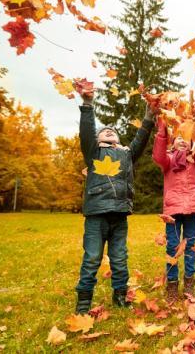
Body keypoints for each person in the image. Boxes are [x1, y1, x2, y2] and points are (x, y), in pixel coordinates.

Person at [74, 91, 155, 315]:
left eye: (113, 131)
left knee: (120, 258)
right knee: (92, 258)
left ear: (119, 139)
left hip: (119, 214)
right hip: (96, 214)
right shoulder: (94, 153)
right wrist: (88, 105)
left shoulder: (127, 155)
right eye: (104, 131)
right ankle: (83, 302)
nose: (109, 131)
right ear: (98, 139)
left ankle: (120, 296)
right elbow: (86, 133)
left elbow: (140, 140)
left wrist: (149, 117)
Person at [152, 117, 195, 302]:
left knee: (190, 245)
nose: (182, 139)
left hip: (192, 207)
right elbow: (158, 155)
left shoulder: (194, 159)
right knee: (172, 245)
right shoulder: (168, 161)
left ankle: (189, 283)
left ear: (191, 142)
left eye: (185, 137)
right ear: (172, 141)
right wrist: (162, 128)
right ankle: (172, 284)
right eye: (178, 137)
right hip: (172, 209)